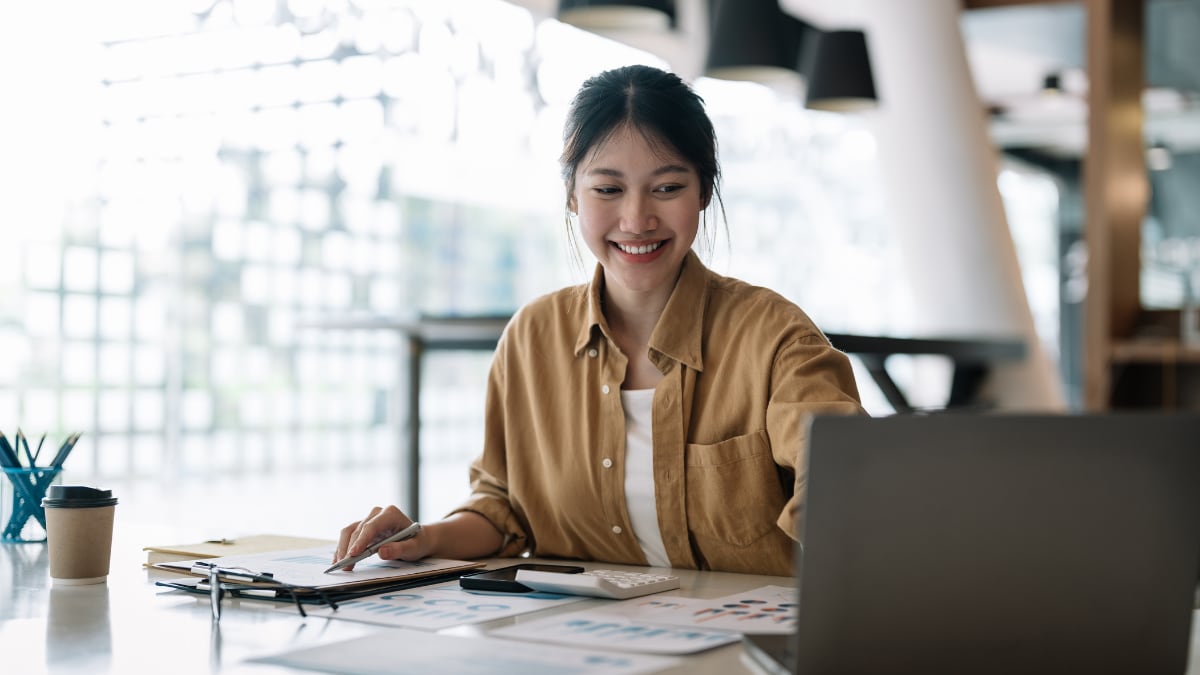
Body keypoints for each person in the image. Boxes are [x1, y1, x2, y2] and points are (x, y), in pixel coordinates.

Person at [335, 64, 865, 577]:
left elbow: (851, 480)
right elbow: (503, 510)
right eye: (608, 190)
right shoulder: (531, 339)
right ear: (572, 194)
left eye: (667, 188)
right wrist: (423, 538)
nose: (636, 220)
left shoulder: (774, 337)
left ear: (703, 192)